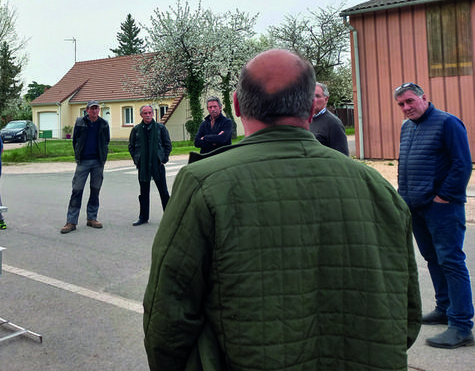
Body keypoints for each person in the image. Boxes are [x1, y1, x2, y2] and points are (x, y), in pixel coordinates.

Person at [144, 49, 421, 371]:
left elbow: (168, 317)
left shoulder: (203, 183)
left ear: (235, 105)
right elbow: (407, 316)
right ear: (309, 104)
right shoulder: (377, 187)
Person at [394, 81, 474, 349]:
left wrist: (444, 197)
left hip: (442, 208)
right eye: (401, 105)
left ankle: (462, 326)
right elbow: (405, 166)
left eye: (409, 101)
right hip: (416, 207)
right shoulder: (407, 127)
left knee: (451, 261)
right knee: (432, 259)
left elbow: (462, 163)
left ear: (423, 98)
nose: (406, 108)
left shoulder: (448, 123)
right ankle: (444, 308)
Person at [60, 100, 110, 234]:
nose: (94, 111)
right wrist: (78, 154)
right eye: (92, 109)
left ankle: (92, 218)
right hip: (83, 162)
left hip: (98, 162)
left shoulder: (104, 124)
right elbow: (75, 140)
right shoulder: (80, 122)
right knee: (77, 190)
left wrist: (102, 157)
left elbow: (106, 141)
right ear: (87, 110)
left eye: (96, 109)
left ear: (99, 110)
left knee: (95, 190)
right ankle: (71, 221)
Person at [128, 105, 172, 226]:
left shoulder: (160, 128)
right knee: (144, 193)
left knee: (164, 192)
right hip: (143, 166)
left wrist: (163, 159)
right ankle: (143, 217)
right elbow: (131, 146)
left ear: (153, 113)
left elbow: (167, 145)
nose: (148, 115)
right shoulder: (136, 129)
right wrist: (137, 159)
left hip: (157, 165)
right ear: (141, 115)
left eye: (149, 112)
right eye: (145, 113)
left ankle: (169, 217)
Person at [309, 82, 349, 155]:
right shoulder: (303, 121)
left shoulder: (333, 123)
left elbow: (342, 157)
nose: (313, 99)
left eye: (317, 96)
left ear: (326, 99)